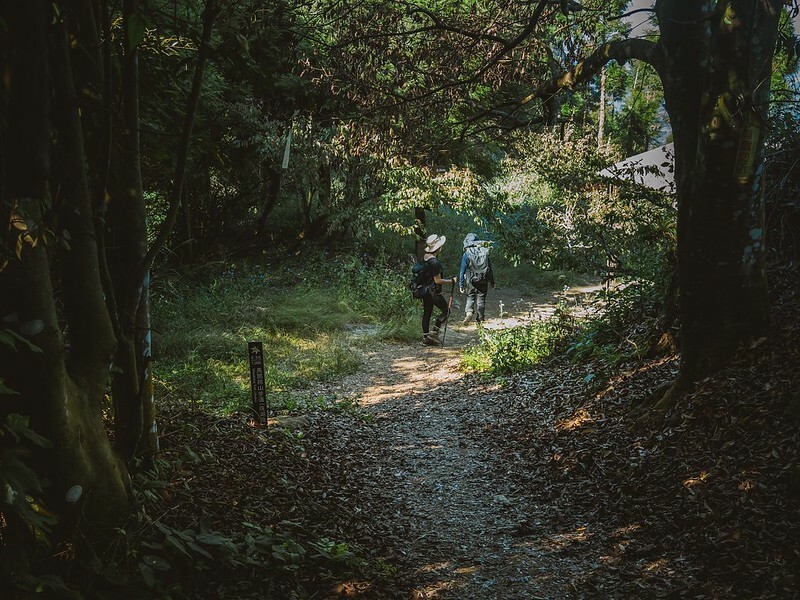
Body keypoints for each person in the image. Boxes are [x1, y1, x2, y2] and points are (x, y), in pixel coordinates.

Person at [420, 233, 458, 346]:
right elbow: (438, 280)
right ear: (438, 247)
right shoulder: (435, 262)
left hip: (425, 290)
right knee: (446, 311)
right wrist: (451, 281)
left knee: (427, 313)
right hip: (434, 292)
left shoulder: (425, 258)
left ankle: (426, 337)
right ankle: (434, 333)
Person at [459, 232, 495, 325]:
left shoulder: (466, 254)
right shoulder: (484, 251)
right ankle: (480, 319)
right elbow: (489, 268)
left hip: (471, 280)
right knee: (481, 299)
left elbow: (462, 270)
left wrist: (461, 284)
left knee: (470, 297)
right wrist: (492, 282)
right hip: (483, 280)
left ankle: (469, 312)